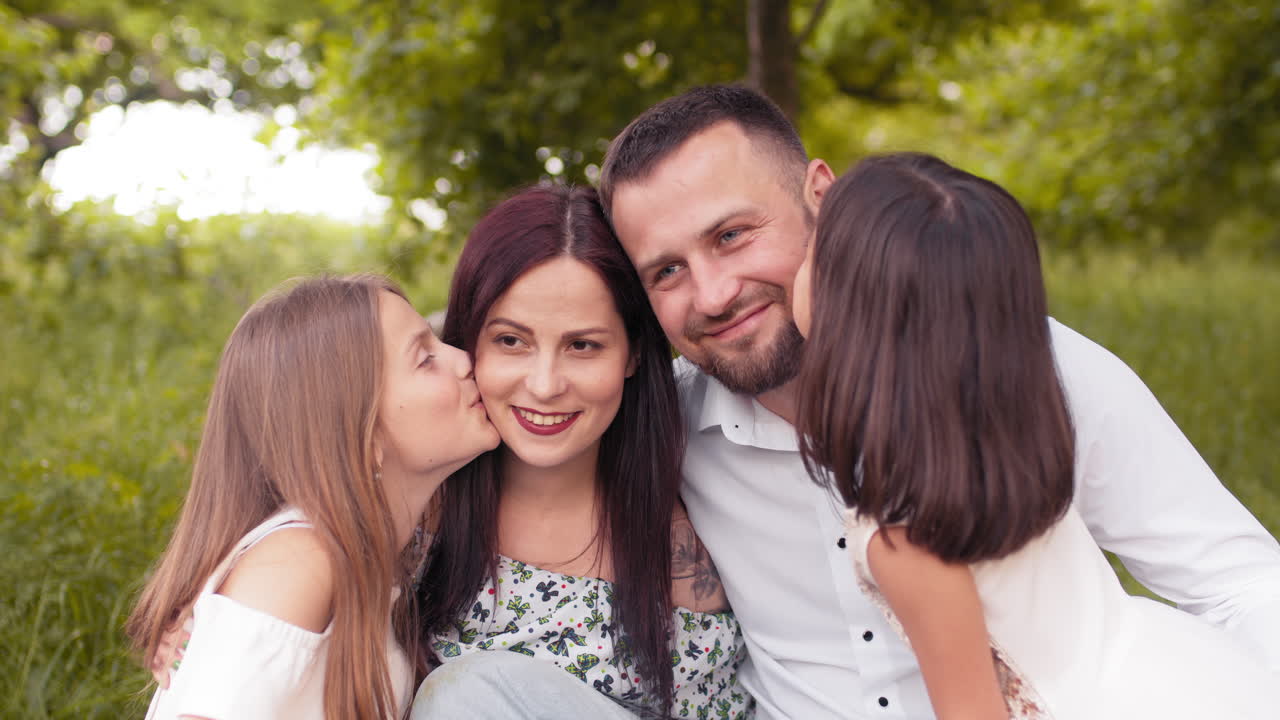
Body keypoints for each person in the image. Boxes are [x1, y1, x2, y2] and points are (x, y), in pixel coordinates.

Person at [593, 85, 1280, 718]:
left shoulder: (1019, 362)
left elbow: (1235, 580)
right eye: (668, 271)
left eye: (732, 235)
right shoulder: (662, 433)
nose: (713, 295)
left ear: (824, 199)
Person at [790, 152, 1276, 719]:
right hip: (1173, 674)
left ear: (847, 313)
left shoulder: (903, 537)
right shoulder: (1004, 429)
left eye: (810, 257)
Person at [410, 185, 754, 720]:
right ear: (469, 342)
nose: (545, 385)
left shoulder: (705, 513)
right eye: (510, 341)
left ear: (633, 354)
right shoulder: (411, 514)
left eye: (582, 345)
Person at [127, 274, 500, 720]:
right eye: (425, 359)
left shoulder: (389, 543)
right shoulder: (300, 562)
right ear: (361, 435)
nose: (463, 360)